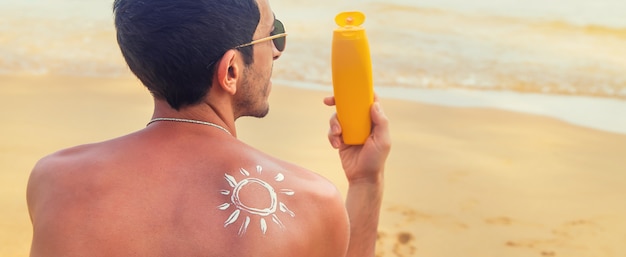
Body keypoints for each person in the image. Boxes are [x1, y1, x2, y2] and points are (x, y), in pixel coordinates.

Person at [26, 0, 391, 256]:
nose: (277, 52)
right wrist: (366, 181)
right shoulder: (312, 203)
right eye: (272, 34)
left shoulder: (56, 181)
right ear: (231, 71)